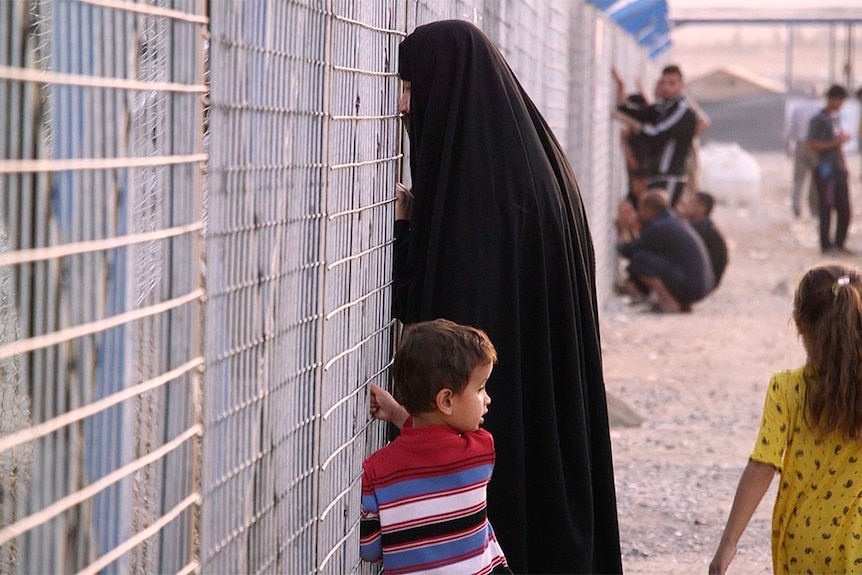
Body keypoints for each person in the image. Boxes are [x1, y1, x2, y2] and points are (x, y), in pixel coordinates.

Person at [393, 20, 622, 573]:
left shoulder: (482, 196)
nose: (404, 110)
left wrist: (405, 239)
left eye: (410, 91)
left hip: (500, 427)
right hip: (544, 405)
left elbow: (441, 318)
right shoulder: (531, 161)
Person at [709, 263, 862, 575]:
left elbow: (761, 466)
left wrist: (729, 543)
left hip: (803, 545)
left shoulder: (787, 389)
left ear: (798, 322)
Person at [360, 319, 511, 574]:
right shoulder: (480, 451)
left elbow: (370, 550)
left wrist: (399, 414)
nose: (487, 399)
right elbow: (436, 448)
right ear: (446, 400)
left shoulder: (376, 471)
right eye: (480, 388)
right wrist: (399, 416)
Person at [613, 65, 698, 209]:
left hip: (669, 175)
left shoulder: (681, 109)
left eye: (672, 83)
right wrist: (620, 86)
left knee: (661, 218)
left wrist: (631, 124)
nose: (666, 87)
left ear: (681, 85)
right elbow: (640, 113)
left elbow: (657, 134)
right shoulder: (664, 106)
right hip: (655, 174)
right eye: (663, 82)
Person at [618, 190, 715, 313]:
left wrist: (624, 227)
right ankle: (680, 303)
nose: (638, 213)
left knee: (639, 260)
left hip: (692, 286)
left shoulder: (660, 227)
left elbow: (627, 250)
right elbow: (643, 245)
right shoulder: (671, 222)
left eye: (640, 209)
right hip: (701, 285)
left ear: (649, 209)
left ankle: (668, 302)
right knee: (644, 257)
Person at [806, 84, 852, 254]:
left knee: (844, 208)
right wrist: (834, 143)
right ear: (832, 99)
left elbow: (838, 146)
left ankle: (839, 244)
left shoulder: (834, 119)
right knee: (826, 207)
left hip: (837, 169)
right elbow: (811, 143)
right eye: (839, 100)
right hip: (825, 170)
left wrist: (844, 164)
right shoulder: (818, 119)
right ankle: (826, 245)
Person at [784, 91, 821, 217]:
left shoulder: (798, 109)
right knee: (815, 181)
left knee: (799, 179)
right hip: (815, 147)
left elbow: (790, 130)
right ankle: (814, 209)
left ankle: (796, 207)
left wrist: (788, 147)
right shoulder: (818, 109)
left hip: (801, 145)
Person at [682, 191, 728, 289]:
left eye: (691, 202)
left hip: (703, 280)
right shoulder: (705, 227)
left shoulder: (699, 229)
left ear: (702, 208)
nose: (686, 205)